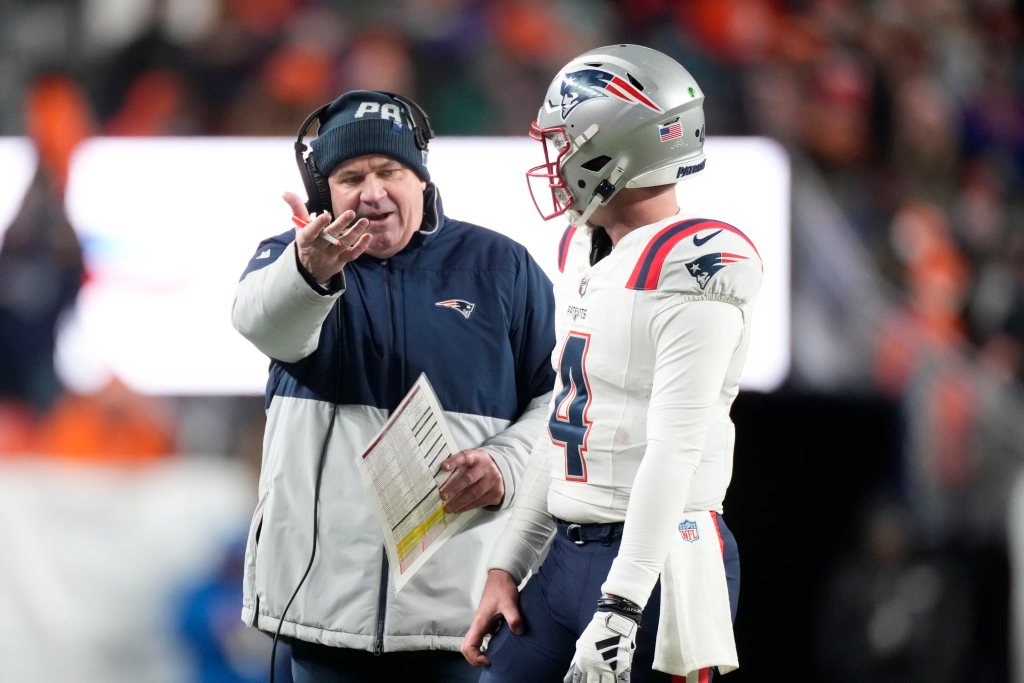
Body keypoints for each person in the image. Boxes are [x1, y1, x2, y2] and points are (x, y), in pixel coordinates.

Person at [231, 90, 556, 683]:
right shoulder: (289, 259)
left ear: (422, 179)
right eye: (351, 177)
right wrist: (309, 272)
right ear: (323, 192)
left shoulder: (503, 268)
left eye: (389, 171)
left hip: (460, 627)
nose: (372, 191)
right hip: (321, 619)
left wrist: (506, 465)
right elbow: (261, 323)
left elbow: (559, 403)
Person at [462, 45, 761, 682]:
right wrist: (507, 563)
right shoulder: (587, 246)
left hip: (658, 565)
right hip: (565, 552)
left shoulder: (696, 266)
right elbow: (567, 419)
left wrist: (622, 607)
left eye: (565, 142)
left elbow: (675, 452)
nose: (555, 161)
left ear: (615, 151)